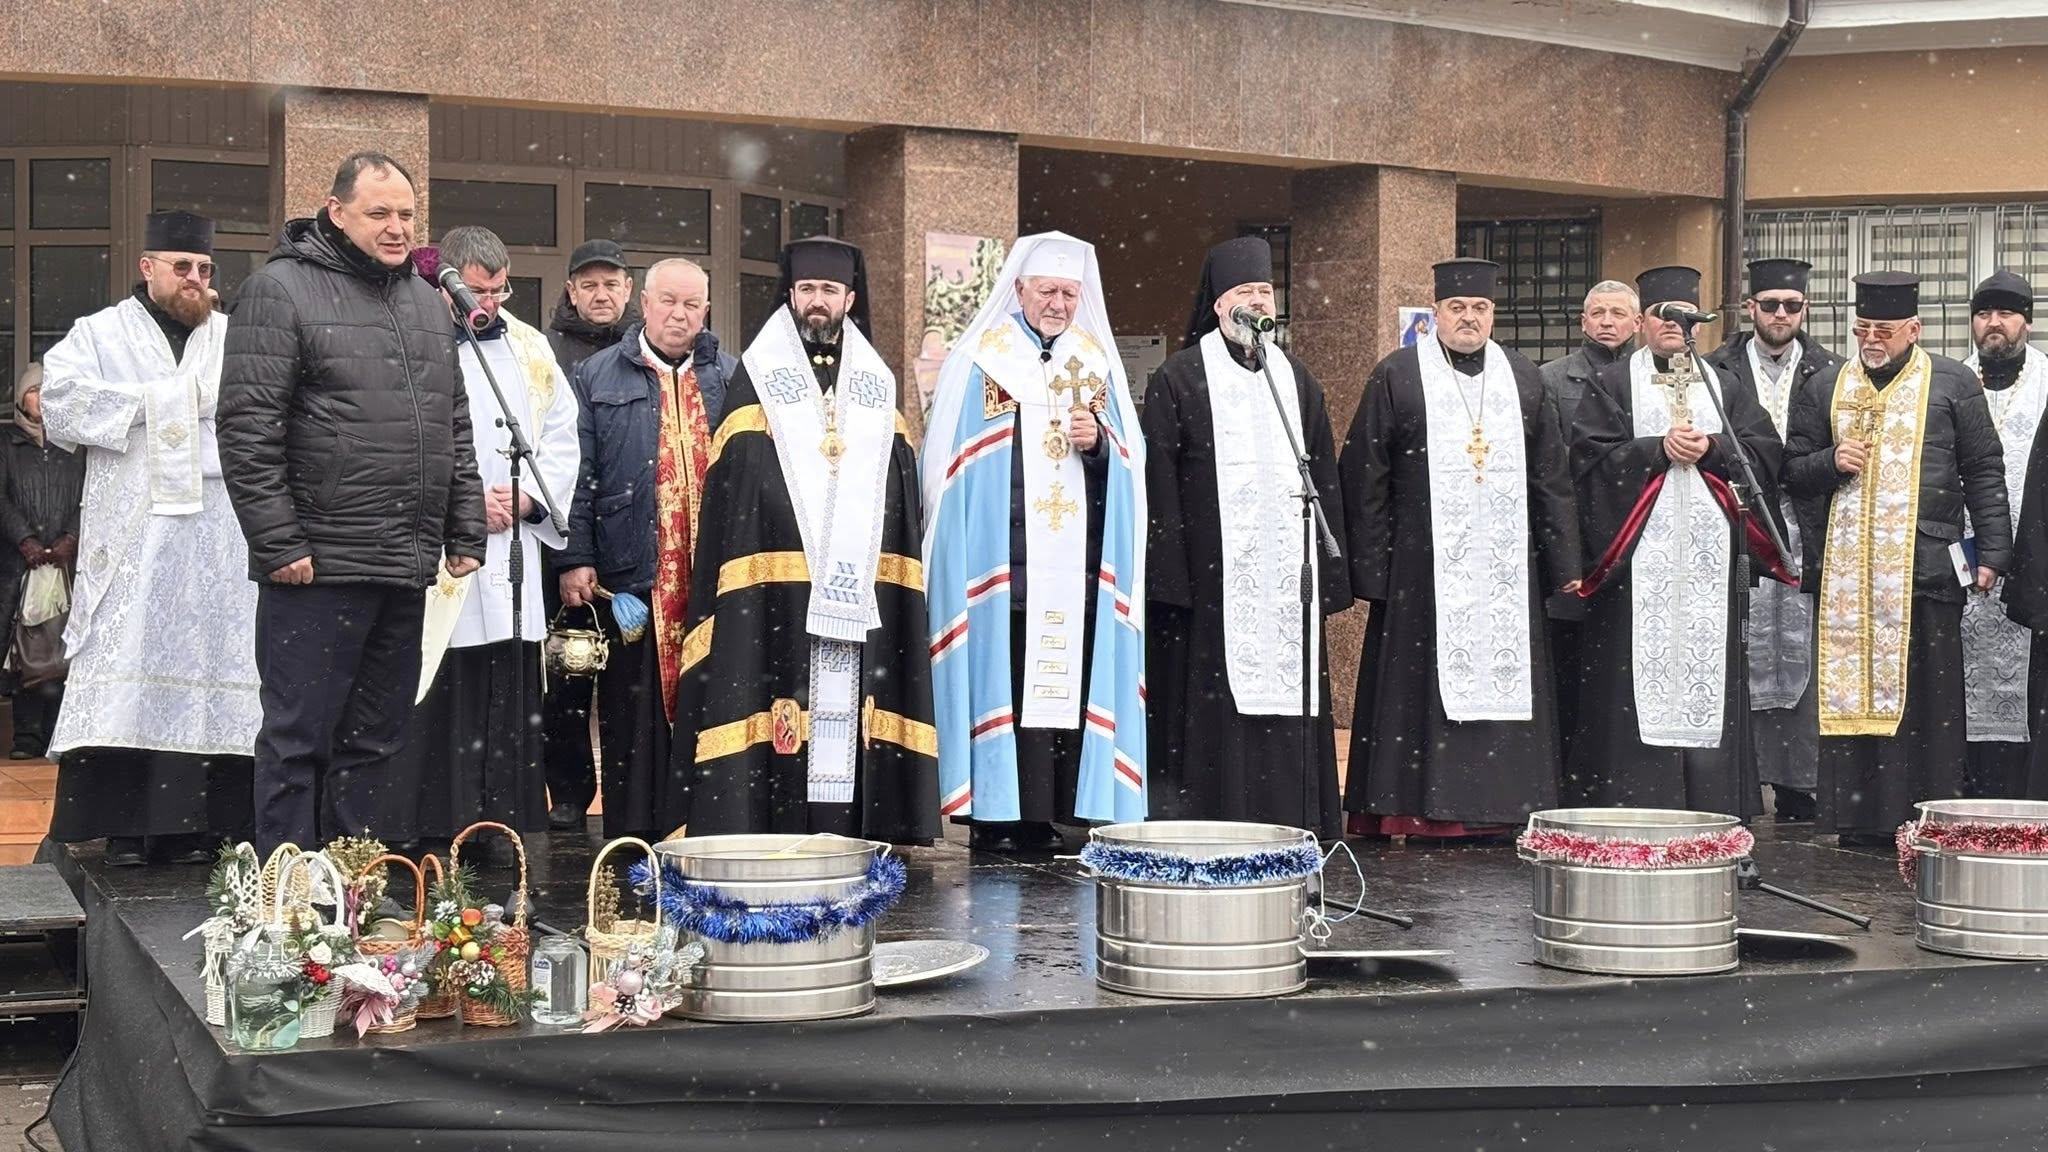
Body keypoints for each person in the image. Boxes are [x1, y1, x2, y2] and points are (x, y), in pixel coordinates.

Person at [219, 153, 487, 853]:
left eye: (405, 214)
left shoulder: (427, 304)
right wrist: (279, 544)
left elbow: (451, 424)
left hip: (404, 562)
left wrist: (464, 529)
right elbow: (248, 428)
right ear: (336, 212)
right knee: (298, 737)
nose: (397, 228)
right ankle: (288, 903)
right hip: (318, 563)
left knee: (377, 739)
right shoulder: (280, 290)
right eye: (380, 213)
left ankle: (356, 888)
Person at [668, 237, 938, 842]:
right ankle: (763, 818)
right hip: (775, 580)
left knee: (849, 705)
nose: (818, 303)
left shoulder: (875, 382)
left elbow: (896, 484)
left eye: (830, 292)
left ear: (849, 298)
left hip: (855, 580)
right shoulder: (757, 378)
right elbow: (739, 483)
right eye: (808, 290)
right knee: (775, 694)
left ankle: (851, 824)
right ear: (790, 296)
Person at [39, 210, 259, 865]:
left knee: (218, 660)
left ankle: (209, 826)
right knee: (130, 662)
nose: (195, 280)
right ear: (148, 267)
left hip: (219, 537)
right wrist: (159, 402)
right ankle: (125, 825)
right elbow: (61, 405)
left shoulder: (231, 336)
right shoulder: (98, 333)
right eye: (183, 267)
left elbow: (262, 411)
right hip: (134, 535)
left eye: (205, 270)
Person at [920, 232, 1148, 853]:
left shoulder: (1094, 366)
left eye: (1069, 293)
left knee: (1063, 686)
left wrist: (1099, 442)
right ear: (1018, 289)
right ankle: (995, 814)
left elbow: (1131, 464)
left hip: (1075, 568)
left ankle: (1056, 810)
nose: (1058, 304)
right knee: (1007, 680)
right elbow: (954, 464)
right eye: (1047, 290)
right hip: (1001, 566)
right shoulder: (983, 360)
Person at [1342, 258, 1579, 840]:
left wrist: (1564, 564)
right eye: (1457, 308)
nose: (1468, 318)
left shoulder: (1525, 378)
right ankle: (1414, 809)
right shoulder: (1398, 374)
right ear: (1436, 313)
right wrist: (1371, 569)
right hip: (1421, 568)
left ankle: (1498, 807)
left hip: (1506, 567)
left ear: (1492, 314)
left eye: (1479, 309)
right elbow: (1365, 474)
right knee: (1417, 688)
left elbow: (1551, 476)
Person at [1783, 271, 2010, 845]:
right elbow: (1792, 470)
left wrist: (1992, 551)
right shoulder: (1826, 383)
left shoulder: (1954, 382)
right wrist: (1831, 461)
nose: (1871, 341)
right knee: (1852, 692)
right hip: (1848, 576)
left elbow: (1984, 470)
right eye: (1861, 329)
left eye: (1883, 330)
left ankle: (1925, 815)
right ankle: (1857, 820)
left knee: (1928, 698)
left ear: (1915, 329)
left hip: (1927, 566)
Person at [1143, 236, 1350, 838]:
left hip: (1288, 579)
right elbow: (1160, 478)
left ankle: (1294, 817)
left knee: (1291, 691)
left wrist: (1331, 571)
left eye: (1264, 292)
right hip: (1211, 580)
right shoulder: (1180, 377)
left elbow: (1323, 473)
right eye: (1244, 293)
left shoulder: (1295, 379)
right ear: (1218, 305)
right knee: (1214, 707)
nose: (1256, 303)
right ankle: (1214, 820)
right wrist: (1170, 574)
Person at [383, 230, 580, 854]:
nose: (488, 304)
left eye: (499, 290)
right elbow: (392, 438)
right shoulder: (407, 337)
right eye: (477, 290)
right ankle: (435, 818)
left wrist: (526, 499)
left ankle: (503, 819)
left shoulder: (531, 347)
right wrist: (461, 503)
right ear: (445, 280)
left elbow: (561, 437)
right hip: (441, 545)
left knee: (506, 682)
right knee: (443, 682)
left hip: (512, 547)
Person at [1569, 265, 1788, 818]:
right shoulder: (1614, 383)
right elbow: (1588, 462)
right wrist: (1653, 451)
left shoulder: (1724, 385)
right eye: (1664, 317)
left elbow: (1763, 451)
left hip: (1709, 570)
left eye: (1686, 319)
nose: (1674, 327)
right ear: (1643, 323)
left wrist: (1712, 449)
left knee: (1709, 677)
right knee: (1630, 681)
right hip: (1637, 568)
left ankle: (1711, 806)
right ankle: (1633, 802)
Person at [557, 258, 733, 842]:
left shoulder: (730, 378)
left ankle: (703, 826)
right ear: (646, 304)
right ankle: (633, 835)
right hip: (631, 572)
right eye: (668, 302)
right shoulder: (598, 376)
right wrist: (575, 556)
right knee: (632, 713)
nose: (679, 315)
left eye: (691, 304)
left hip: (713, 577)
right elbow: (578, 474)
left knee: (711, 702)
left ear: (706, 309)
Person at [1703, 258, 1844, 821]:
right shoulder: (1716, 367)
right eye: (1769, 305)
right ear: (1749, 309)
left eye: (1792, 305)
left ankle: (1801, 781)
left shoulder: (1833, 370)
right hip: (1739, 521)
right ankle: (1746, 773)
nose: (1780, 315)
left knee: (1806, 653)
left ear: (1804, 309)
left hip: (1807, 522)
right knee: (1743, 643)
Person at [539, 238, 637, 830]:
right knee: (568, 675)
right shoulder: (544, 354)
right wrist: (573, 550)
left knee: (632, 682)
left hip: (632, 549)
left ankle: (632, 794)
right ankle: (570, 792)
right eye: (589, 285)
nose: (601, 295)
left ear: (628, 292)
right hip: (568, 542)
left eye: (612, 284)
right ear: (572, 292)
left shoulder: (643, 349)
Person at [1538, 280, 1639, 765]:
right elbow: (1551, 466)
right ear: (1582, 322)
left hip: (1637, 539)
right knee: (1571, 662)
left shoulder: (1653, 377)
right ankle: (1566, 767)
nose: (1607, 322)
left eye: (1618, 313)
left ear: (1637, 323)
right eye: (1597, 312)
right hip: (1576, 539)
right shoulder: (1553, 379)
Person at [1956, 271, 2045, 798]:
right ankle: (1968, 786)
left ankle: (2021, 790)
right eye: (1985, 314)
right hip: (1963, 557)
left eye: (2007, 314)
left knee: (2025, 673)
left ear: (2026, 323)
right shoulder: (1952, 381)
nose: (1995, 325)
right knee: (1961, 677)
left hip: (2033, 556)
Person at [0, 365, 84, 760]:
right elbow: (1, 500)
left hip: (69, 564)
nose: (43, 396)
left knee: (65, 647)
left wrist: (71, 536)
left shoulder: (75, 444)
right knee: (26, 650)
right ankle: (27, 736)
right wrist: (25, 539)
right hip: (21, 566)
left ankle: (58, 734)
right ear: (22, 398)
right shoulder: (6, 444)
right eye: (36, 389)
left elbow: (91, 495)